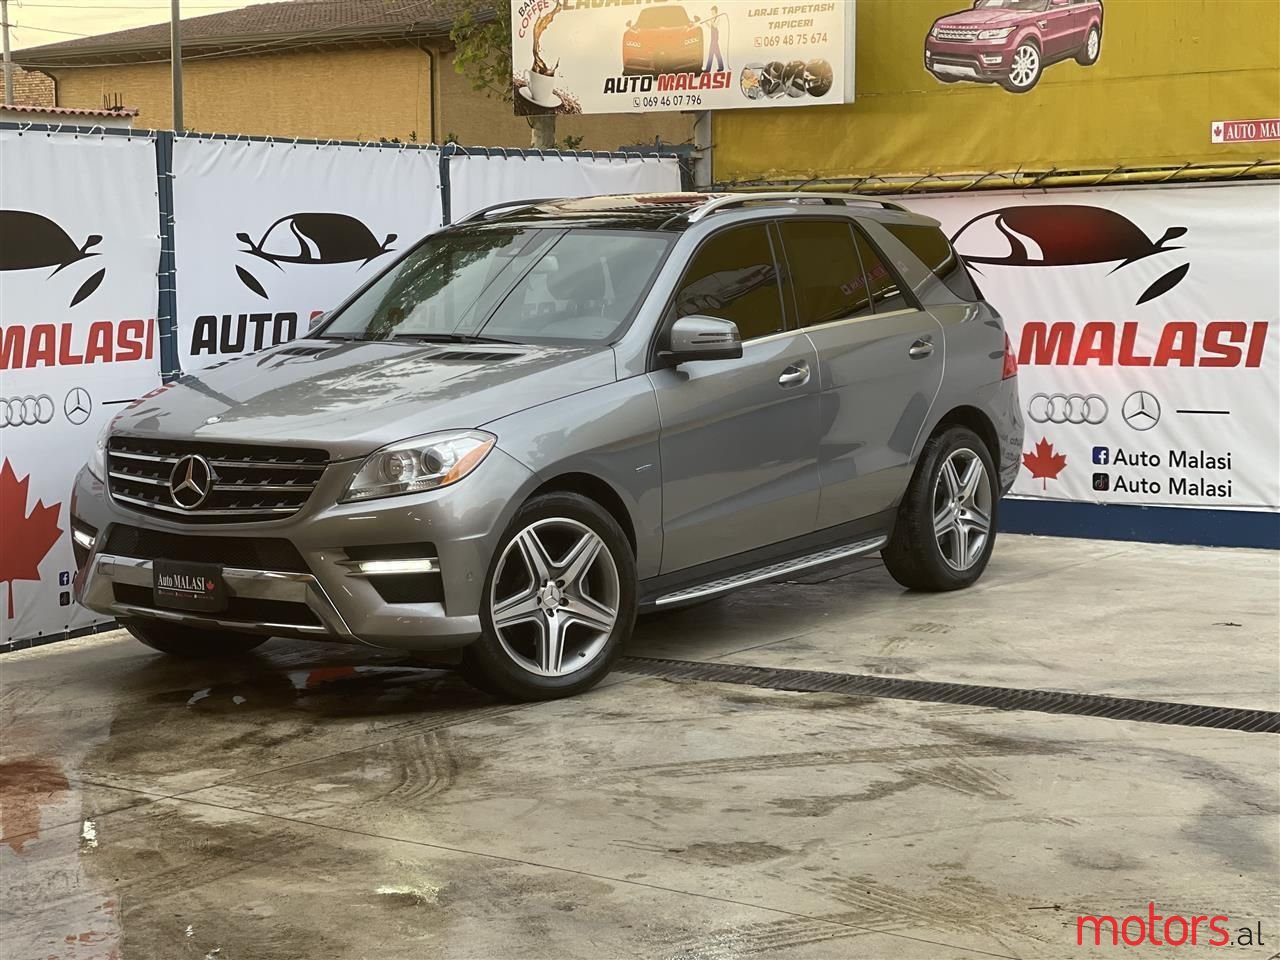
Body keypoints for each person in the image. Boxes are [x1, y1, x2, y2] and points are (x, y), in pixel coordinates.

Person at [701, 6, 726, 72]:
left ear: (714, 11)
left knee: (711, 53)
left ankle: (708, 69)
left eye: (712, 11)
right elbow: (710, 27)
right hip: (712, 35)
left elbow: (715, 26)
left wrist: (711, 20)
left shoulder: (718, 18)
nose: (711, 12)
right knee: (717, 53)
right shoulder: (713, 18)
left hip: (715, 35)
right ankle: (721, 67)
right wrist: (706, 22)